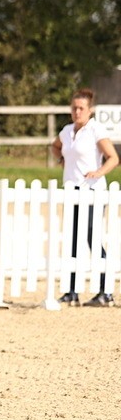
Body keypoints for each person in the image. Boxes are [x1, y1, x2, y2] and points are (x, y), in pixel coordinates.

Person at [51, 88, 119, 306]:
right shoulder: (67, 131)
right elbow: (55, 146)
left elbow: (113, 158)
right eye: (74, 108)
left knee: (91, 237)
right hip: (72, 190)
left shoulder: (95, 130)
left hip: (92, 192)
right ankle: (71, 290)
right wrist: (61, 159)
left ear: (90, 110)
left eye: (81, 108)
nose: (77, 112)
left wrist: (98, 173)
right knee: (72, 239)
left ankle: (105, 290)